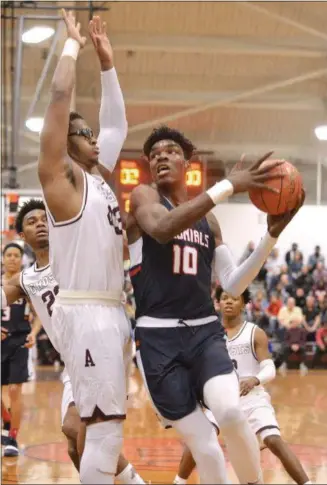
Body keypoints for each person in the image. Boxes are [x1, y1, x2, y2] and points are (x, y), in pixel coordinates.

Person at [126, 124, 304, 484]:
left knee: (232, 413)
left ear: (187, 163)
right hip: (158, 339)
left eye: (170, 151)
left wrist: (270, 236)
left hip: (204, 333)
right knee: (205, 445)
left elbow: (233, 283)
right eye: (155, 153)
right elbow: (162, 230)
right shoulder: (144, 197)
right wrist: (227, 186)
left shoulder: (209, 220)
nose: (161, 155)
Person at [37, 10, 135, 483]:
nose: (95, 139)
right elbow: (59, 98)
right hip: (89, 312)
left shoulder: (97, 179)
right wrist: (72, 46)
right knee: (103, 429)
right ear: (67, 143)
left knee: (94, 427)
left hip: (110, 311)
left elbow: (117, 126)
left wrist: (108, 65)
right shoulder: (63, 180)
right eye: (84, 134)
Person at [1, 199, 145, 484]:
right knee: (71, 436)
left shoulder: (78, 253)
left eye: (45, 218)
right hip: (73, 361)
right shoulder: (25, 279)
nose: (40, 223)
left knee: (88, 434)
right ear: (21, 235)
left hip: (100, 346)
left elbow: (122, 246)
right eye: (31, 222)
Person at [174, 288, 312, 485]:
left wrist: (254, 380)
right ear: (218, 304)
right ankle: (178, 481)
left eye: (234, 298)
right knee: (200, 437)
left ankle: (307, 483)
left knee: (273, 440)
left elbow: (270, 368)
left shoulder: (255, 333)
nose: (229, 302)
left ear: (244, 303)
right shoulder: (209, 335)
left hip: (253, 398)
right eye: (224, 298)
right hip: (220, 398)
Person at [1, 243, 40, 456]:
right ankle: (6, 421)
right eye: (9, 255)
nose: (13, 259)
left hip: (19, 342)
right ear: (3, 259)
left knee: (15, 390)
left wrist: (33, 333)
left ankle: (13, 438)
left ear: (21, 259)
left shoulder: (27, 284)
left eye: (17, 255)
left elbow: (40, 314)